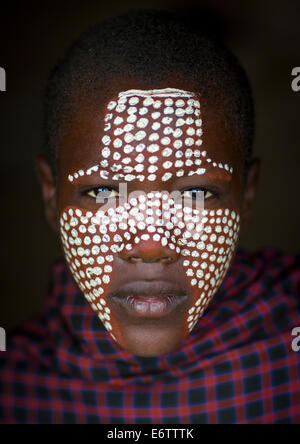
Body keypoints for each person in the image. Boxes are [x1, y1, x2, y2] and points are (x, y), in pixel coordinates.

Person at [0, 9, 299, 424]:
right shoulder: (14, 389)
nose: (151, 244)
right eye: (103, 191)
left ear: (246, 196)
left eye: (195, 193)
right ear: (51, 197)